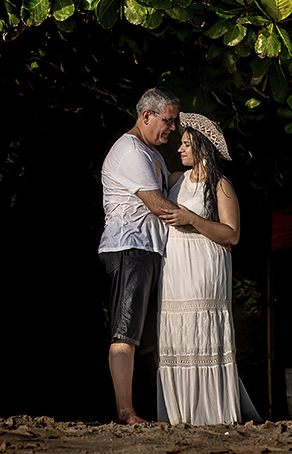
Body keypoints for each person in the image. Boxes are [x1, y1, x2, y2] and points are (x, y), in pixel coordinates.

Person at [156, 113, 257, 425]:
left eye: (186, 144)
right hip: (174, 271)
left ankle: (212, 413)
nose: (179, 149)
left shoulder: (220, 185)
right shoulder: (175, 180)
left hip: (203, 269)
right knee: (178, 335)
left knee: (202, 331)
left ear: (201, 147)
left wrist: (193, 220)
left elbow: (233, 234)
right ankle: (179, 414)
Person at [98, 87, 183, 425]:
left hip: (146, 250)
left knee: (142, 335)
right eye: (169, 120)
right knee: (125, 332)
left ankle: (139, 408)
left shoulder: (152, 153)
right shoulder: (131, 151)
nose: (172, 128)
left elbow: (172, 182)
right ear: (146, 116)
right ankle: (125, 411)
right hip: (129, 248)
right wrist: (205, 225)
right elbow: (159, 205)